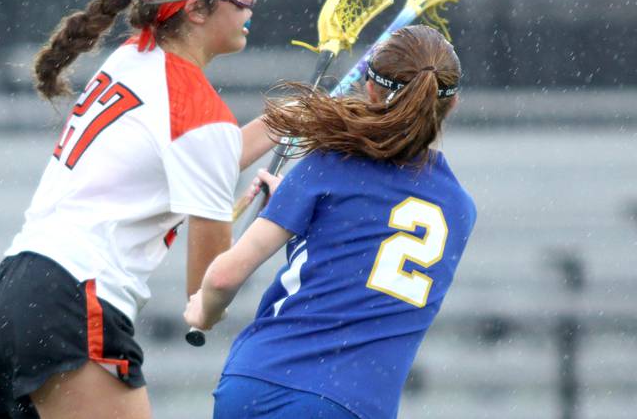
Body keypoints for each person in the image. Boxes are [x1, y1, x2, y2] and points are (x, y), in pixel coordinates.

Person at [0, 0, 276, 419]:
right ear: (197, 8)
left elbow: (191, 153)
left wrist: (285, 122)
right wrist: (267, 223)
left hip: (16, 289)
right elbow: (205, 295)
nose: (249, 3)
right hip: (76, 300)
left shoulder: (133, 56)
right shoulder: (201, 116)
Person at [184, 25, 477, 419]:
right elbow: (371, 236)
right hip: (350, 403)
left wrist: (204, 310)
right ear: (453, 102)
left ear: (370, 89)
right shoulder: (459, 208)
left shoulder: (327, 165)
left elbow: (223, 278)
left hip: (257, 383)